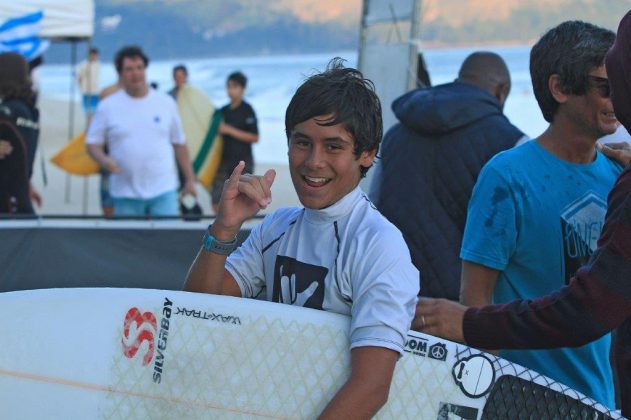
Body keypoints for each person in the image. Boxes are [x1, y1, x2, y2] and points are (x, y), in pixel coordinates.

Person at [415, 12, 631, 417]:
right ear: (560, 88)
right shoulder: (506, 176)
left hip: (602, 401)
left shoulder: (618, 177)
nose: (617, 99)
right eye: (605, 87)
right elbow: (474, 302)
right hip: (524, 400)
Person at [185, 59, 419, 418]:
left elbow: (371, 387)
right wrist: (224, 228)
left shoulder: (378, 245)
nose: (313, 161)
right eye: (302, 142)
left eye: (334, 147)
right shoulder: (277, 227)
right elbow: (196, 313)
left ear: (367, 154)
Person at [371, 51, 525, 300]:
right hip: (465, 307)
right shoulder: (511, 143)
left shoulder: (395, 135)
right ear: (501, 91)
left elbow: (374, 209)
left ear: (460, 79)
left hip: (392, 295)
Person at [86, 46, 197, 217]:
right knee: (128, 244)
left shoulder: (166, 103)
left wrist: (190, 180)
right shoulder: (108, 106)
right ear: (120, 74)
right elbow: (93, 143)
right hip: (124, 194)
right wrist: (104, 160)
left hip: (164, 191)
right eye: (129, 69)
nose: (136, 73)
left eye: (139, 68)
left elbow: (179, 144)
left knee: (167, 242)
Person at [211, 71, 259, 212]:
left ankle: (240, 233)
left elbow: (255, 137)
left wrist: (229, 130)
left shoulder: (247, 110)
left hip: (243, 163)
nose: (230, 90)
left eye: (234, 87)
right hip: (223, 163)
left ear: (243, 89)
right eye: (228, 86)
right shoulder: (222, 111)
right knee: (216, 203)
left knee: (242, 202)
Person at [0, 52, 42, 214]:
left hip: (5, 207)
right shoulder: (30, 112)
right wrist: (26, 184)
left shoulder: (5, 113)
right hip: (21, 203)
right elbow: (18, 156)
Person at [77, 47, 100, 118]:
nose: (95, 57)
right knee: (87, 111)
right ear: (90, 55)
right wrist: (81, 88)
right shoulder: (83, 65)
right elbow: (79, 78)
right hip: (86, 91)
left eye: (96, 55)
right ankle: (89, 126)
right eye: (94, 55)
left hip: (95, 91)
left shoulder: (97, 65)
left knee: (95, 111)